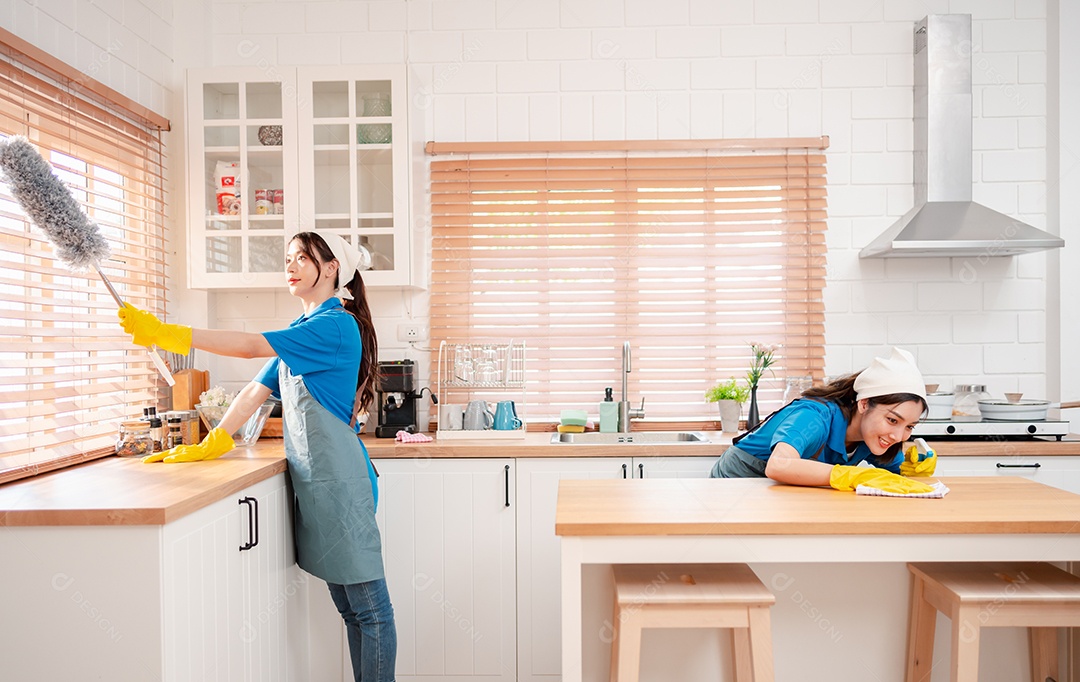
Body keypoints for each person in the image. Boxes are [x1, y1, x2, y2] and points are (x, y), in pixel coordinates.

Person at [118, 230, 396, 681]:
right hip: (320, 486)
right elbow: (254, 389)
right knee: (350, 608)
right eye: (287, 258)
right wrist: (213, 442)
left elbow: (248, 347)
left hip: (341, 485)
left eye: (302, 259)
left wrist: (169, 333)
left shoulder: (336, 325)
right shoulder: (300, 330)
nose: (289, 266)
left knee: (370, 608)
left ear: (330, 270)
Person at [709, 347, 937, 494]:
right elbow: (779, 465)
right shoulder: (814, 416)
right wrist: (849, 474)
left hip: (783, 490)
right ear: (864, 404)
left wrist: (911, 470)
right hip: (738, 483)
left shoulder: (876, 438)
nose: (898, 436)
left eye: (909, 426)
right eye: (892, 420)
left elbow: (893, 478)